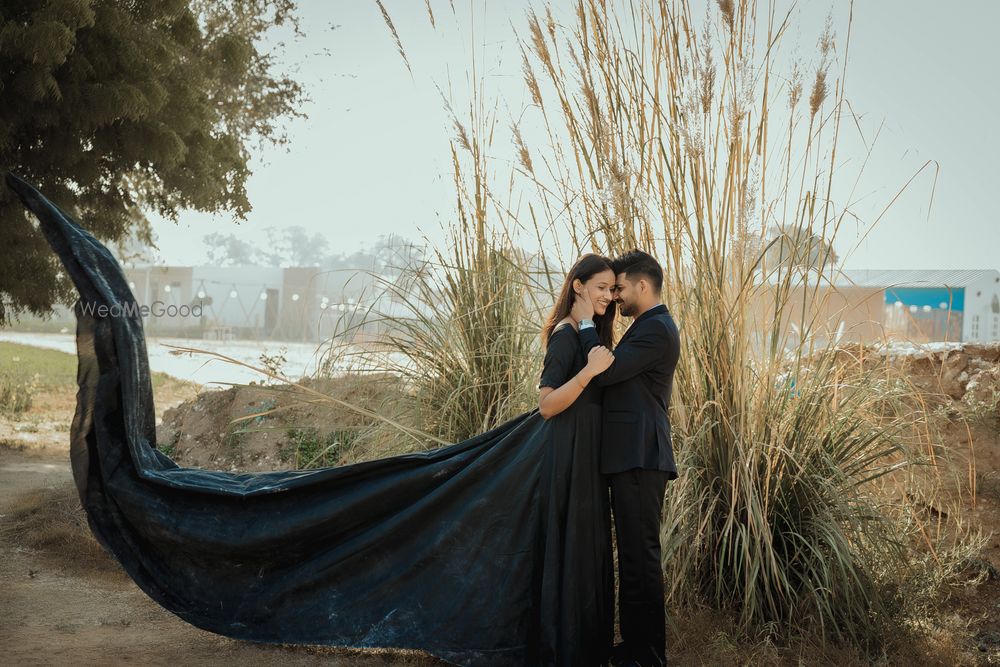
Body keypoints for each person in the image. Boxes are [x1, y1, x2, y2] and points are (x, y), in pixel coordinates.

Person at [571, 250, 680, 667]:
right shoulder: (645, 327)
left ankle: (647, 656)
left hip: (640, 456)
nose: (615, 296)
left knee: (641, 560)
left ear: (642, 285)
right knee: (634, 559)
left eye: (619, 288)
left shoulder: (657, 330)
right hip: (631, 457)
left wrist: (584, 324)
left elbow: (609, 372)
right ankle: (635, 648)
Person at [535, 253, 618, 665]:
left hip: (587, 453)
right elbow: (547, 405)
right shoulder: (566, 336)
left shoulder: (589, 333)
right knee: (574, 545)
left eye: (612, 289)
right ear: (579, 285)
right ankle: (568, 647)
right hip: (569, 455)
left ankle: (587, 647)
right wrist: (586, 374)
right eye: (601, 287)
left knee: (588, 545)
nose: (609, 295)